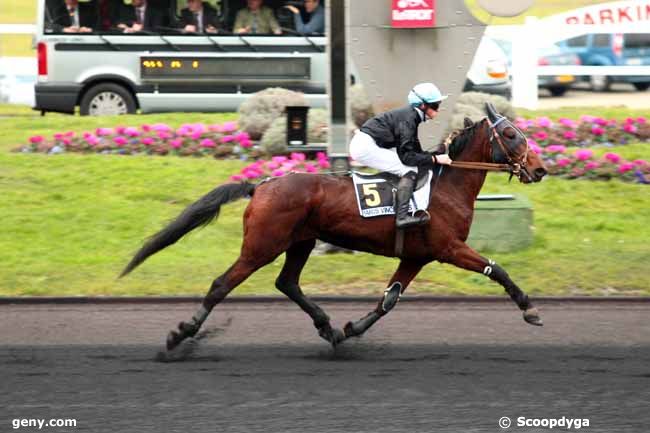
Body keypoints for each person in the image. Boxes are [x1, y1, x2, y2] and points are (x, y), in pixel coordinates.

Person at [349, 82, 453, 229]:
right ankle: (402, 217)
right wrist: (435, 159)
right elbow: (408, 158)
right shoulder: (408, 119)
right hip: (366, 147)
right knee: (409, 170)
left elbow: (414, 150)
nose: (438, 110)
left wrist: (438, 153)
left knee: (412, 167)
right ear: (423, 106)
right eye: (435, 105)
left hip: (372, 142)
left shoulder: (411, 116)